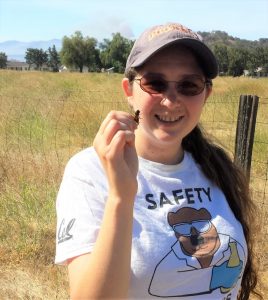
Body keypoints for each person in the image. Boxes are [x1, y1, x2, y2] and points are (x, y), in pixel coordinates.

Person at [55, 22, 261, 299]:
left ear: (206, 94)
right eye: (155, 83)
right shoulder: (89, 172)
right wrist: (121, 197)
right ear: (129, 90)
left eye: (189, 85)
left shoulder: (216, 167)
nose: (170, 100)